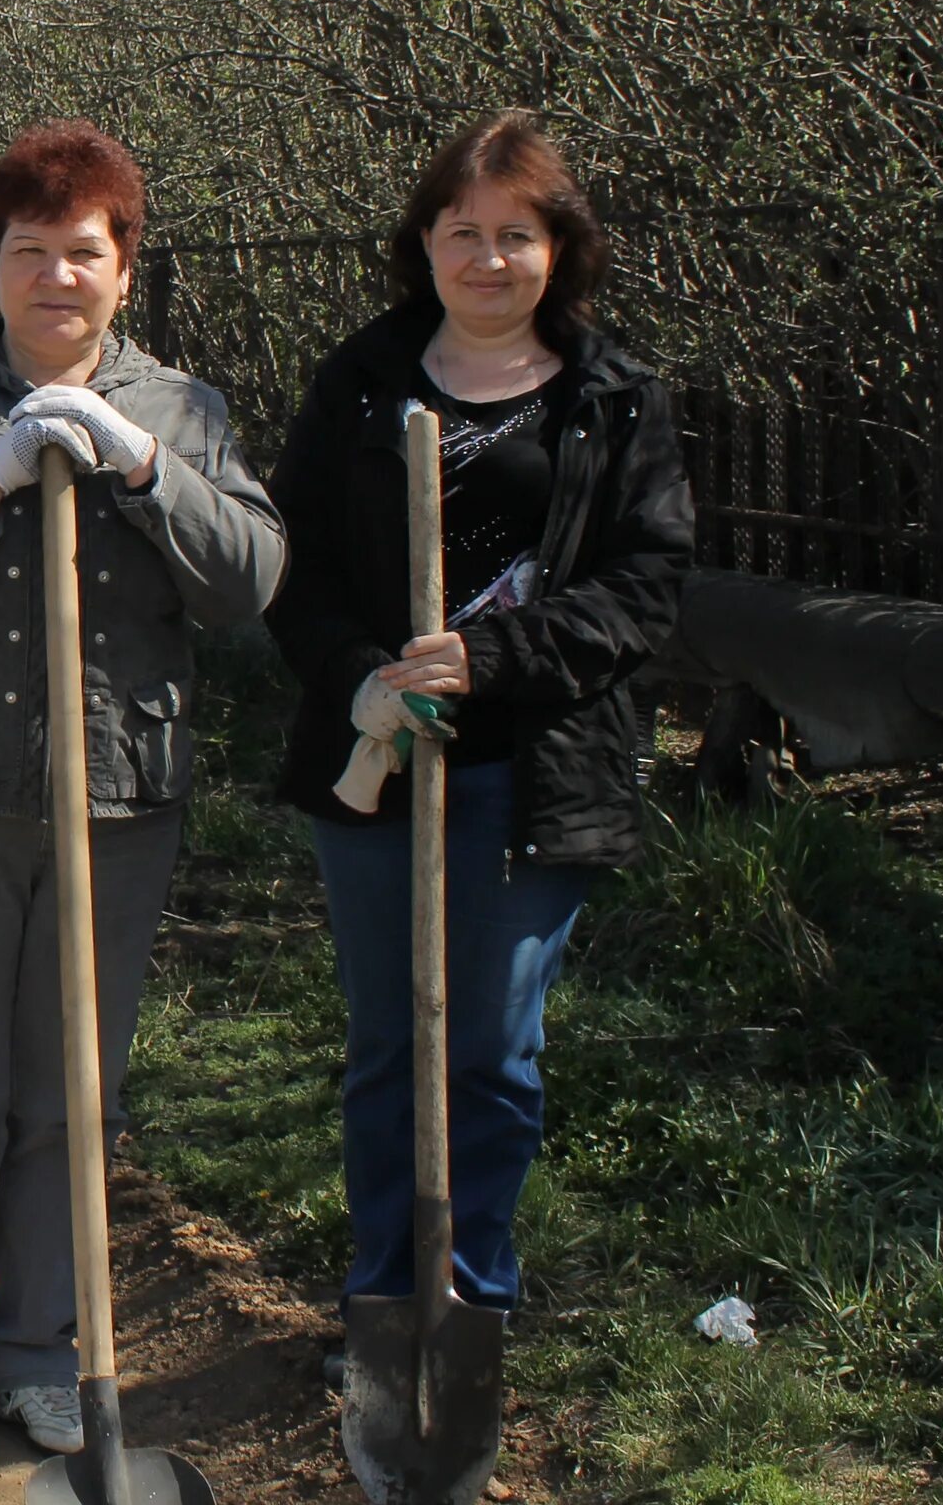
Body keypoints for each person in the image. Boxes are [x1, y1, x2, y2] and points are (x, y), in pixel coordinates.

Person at [0, 120, 285, 1473]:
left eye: (85, 252)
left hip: (117, 797)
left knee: (73, 1096)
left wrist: (138, 468)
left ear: (124, 269)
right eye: (32, 253)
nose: (59, 278)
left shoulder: (185, 410)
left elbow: (249, 582)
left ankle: (43, 1357)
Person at [265, 111, 689, 1362]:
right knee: (391, 1046)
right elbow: (294, 566)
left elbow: (646, 584)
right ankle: (386, 1302)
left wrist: (490, 656)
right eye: (466, 232)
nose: (490, 258)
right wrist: (363, 680)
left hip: (533, 769)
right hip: (382, 761)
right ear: (425, 244)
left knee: (492, 1049)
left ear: (560, 247)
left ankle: (471, 1305)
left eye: (518, 233)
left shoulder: (614, 402)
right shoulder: (360, 386)